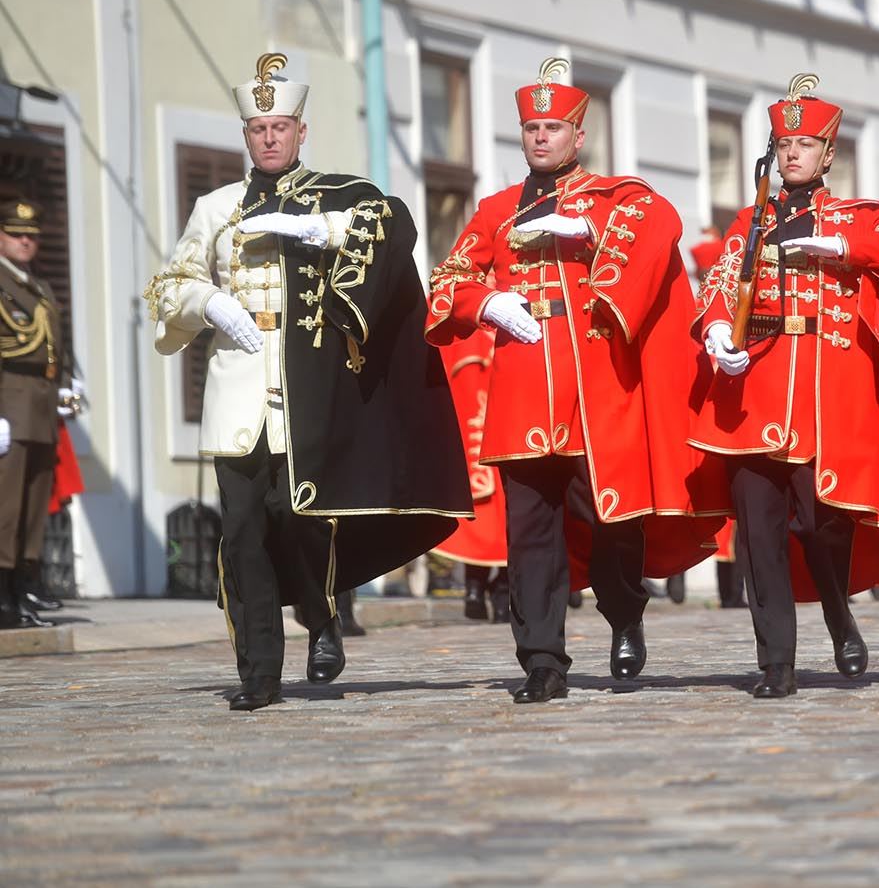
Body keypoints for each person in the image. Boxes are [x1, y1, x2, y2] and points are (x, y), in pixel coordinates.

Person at [144, 53, 472, 710]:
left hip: (306, 387)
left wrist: (320, 230)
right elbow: (170, 284)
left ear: (301, 131)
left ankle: (322, 617)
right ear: (247, 135)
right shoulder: (215, 207)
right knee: (242, 536)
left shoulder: (338, 196)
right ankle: (259, 674)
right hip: (237, 385)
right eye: (258, 128)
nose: (269, 138)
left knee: (302, 518)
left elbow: (390, 224)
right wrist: (209, 304)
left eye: (280, 127)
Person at [425, 57, 726, 704]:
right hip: (522, 381)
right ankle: (542, 660)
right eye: (532, 128)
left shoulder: (618, 198)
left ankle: (625, 612)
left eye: (553, 128)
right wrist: (486, 302)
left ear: (578, 135)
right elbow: (449, 279)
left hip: (596, 382)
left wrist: (590, 229)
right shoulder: (496, 210)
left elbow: (660, 223)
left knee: (611, 519)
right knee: (530, 531)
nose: (541, 137)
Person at [694, 73, 879, 698]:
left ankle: (840, 613)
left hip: (826, 396)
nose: (793, 154)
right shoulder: (751, 221)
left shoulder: (857, 217)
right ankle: (776, 663)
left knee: (822, 526)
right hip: (754, 390)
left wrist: (844, 246)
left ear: (828, 154)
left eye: (806, 144)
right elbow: (722, 281)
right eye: (784, 144)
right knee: (758, 532)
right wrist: (717, 330)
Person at [0, 196, 74, 629]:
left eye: (31, 236)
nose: (25, 242)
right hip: (9, 404)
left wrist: (66, 382)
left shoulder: (38, 287)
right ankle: (3, 594)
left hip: (41, 407)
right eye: (16, 234)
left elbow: (55, 344)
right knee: (7, 505)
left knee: (32, 506)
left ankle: (21, 586)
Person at [431, 326, 512, 623]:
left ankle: (476, 589)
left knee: (489, 512)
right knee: (501, 510)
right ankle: (500, 594)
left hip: (472, 424)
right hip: (489, 421)